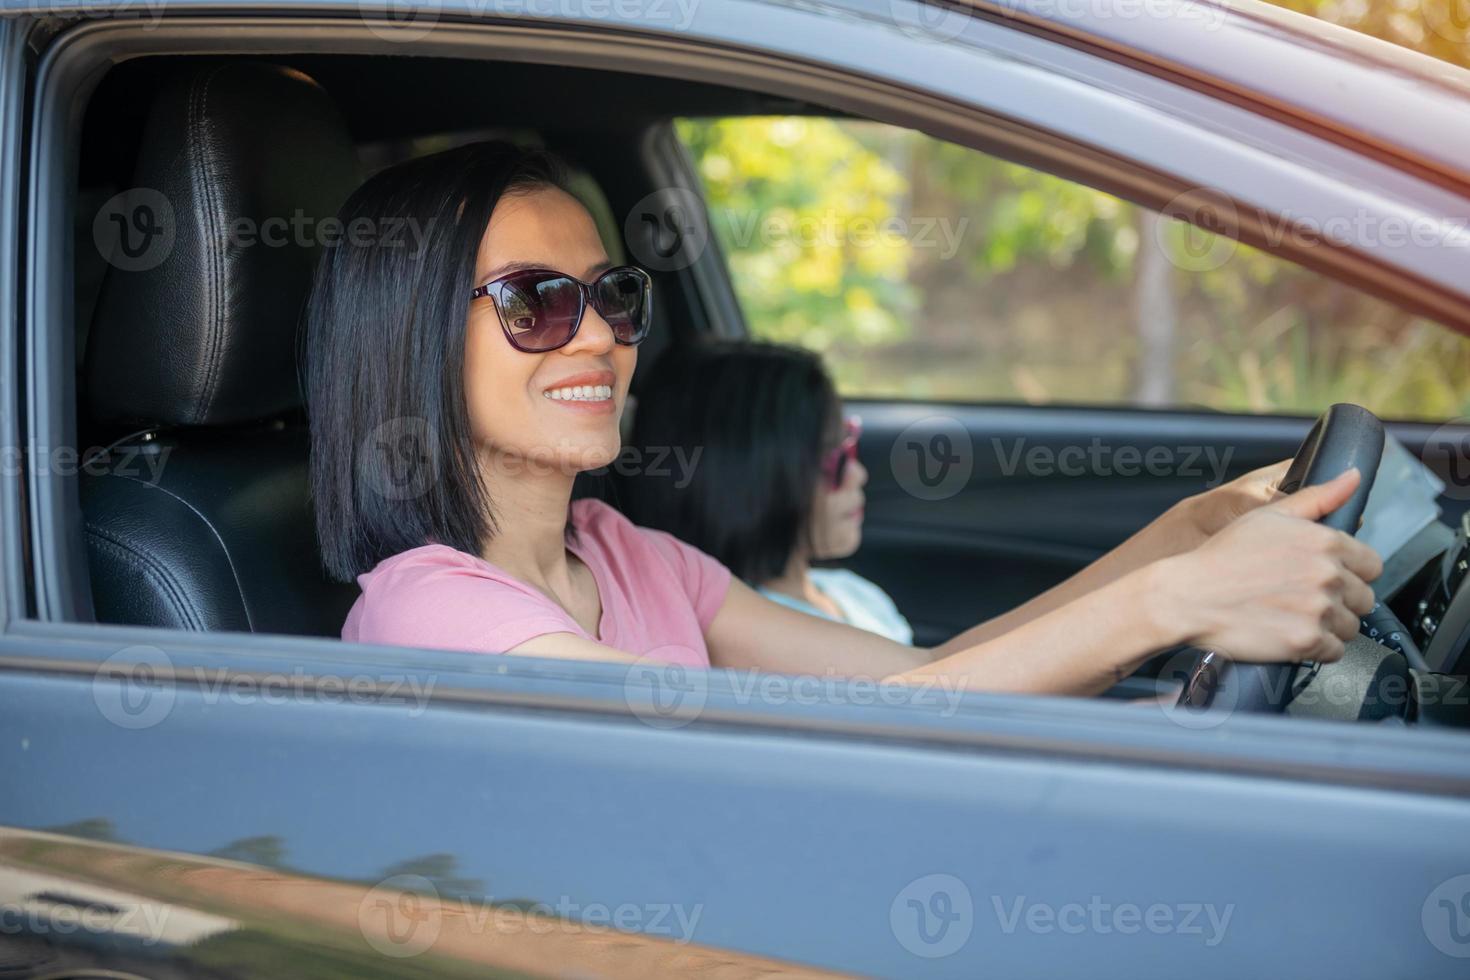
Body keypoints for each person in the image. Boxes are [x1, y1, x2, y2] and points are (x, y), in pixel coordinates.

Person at [305, 140, 1381, 697]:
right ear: (407, 344)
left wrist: (1178, 537)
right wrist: (1171, 601)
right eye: (537, 302)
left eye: (612, 295)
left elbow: (918, 682)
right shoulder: (434, 618)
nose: (598, 338)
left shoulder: (625, 556)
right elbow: (862, 735)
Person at [622, 341, 913, 644]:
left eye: (849, 443)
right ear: (749, 479)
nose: (858, 473)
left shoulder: (852, 592)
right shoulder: (756, 637)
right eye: (833, 458)